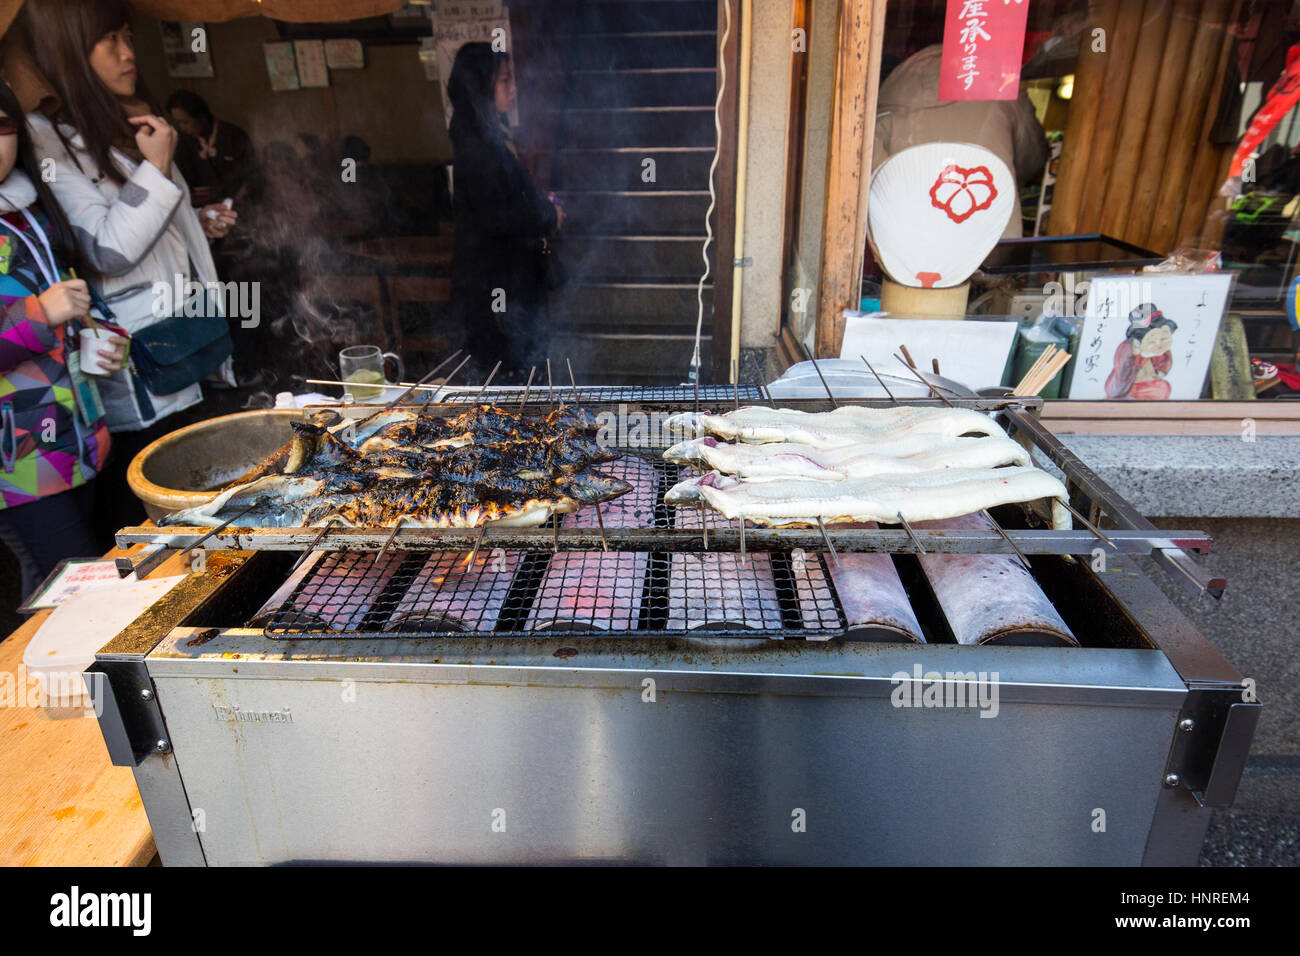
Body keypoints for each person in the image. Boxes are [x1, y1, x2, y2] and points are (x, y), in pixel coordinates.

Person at [19, 0, 239, 541]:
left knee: (199, 495)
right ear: (70, 52)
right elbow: (108, 251)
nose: (128, 52)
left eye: (127, 36)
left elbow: (147, 217)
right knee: (153, 512)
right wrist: (159, 167)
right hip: (138, 363)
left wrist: (194, 219)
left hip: (183, 340)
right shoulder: (46, 135)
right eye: (109, 40)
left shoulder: (120, 119)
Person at [0, 79, 122, 596]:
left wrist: (99, 333)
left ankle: (73, 679)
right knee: (75, 596)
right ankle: (67, 682)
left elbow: (70, 294)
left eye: (1, 126)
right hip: (18, 462)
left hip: (80, 433)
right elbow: (41, 308)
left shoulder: (28, 208)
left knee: (82, 585)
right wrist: (40, 312)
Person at [447, 42, 563, 380]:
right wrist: (547, 215)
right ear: (481, 84)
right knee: (507, 375)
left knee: (515, 369)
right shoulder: (477, 143)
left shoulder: (484, 133)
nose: (513, 89)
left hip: (506, 282)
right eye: (504, 80)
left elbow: (507, 199)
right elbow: (499, 216)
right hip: (497, 286)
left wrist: (540, 202)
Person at [874, 44, 1048, 239]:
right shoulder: (999, 86)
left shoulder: (894, 88)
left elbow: (873, 171)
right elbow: (1034, 159)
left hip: (907, 240)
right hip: (990, 241)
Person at [165, 89, 259, 207]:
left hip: (240, 206)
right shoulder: (183, 142)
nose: (182, 128)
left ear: (202, 117)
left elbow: (252, 175)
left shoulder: (233, 136)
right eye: (179, 123)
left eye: (185, 122)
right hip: (204, 209)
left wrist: (236, 201)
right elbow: (184, 179)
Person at [1105, 304, 1177, 401]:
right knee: (1160, 390)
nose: (1159, 342)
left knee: (1164, 387)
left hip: (1149, 382)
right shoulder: (1128, 348)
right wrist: (1140, 358)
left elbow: (1164, 365)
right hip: (1126, 386)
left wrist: (1158, 371)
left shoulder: (1159, 348)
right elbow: (1122, 374)